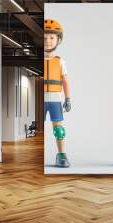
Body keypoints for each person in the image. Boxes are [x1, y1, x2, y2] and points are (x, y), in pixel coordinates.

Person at [44, 19, 72, 168]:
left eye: (51, 37)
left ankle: (61, 155)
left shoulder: (60, 61)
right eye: (44, 37)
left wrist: (68, 99)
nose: (48, 41)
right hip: (39, 100)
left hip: (55, 100)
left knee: (59, 130)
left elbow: (65, 81)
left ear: (58, 39)